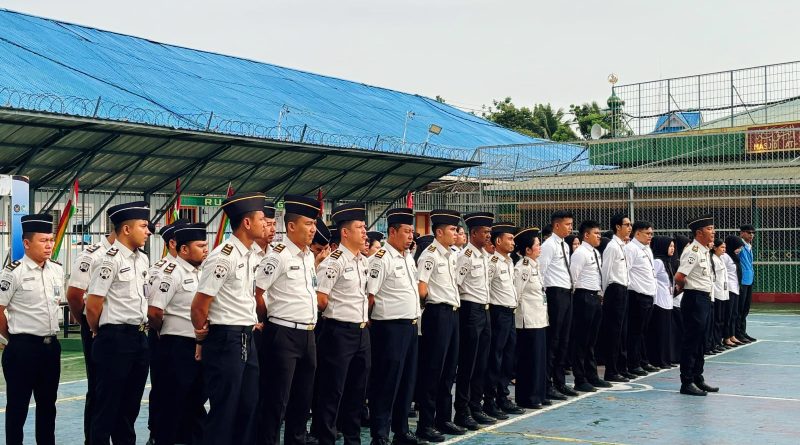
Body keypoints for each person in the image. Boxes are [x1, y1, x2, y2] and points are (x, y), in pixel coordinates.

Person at [191, 192, 266, 445]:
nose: (265, 223)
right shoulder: (224, 256)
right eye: (261, 219)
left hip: (246, 336)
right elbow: (200, 305)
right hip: (225, 339)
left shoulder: (250, 254)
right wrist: (201, 338)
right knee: (225, 410)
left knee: (248, 406)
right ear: (246, 223)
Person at [255, 194, 321, 445]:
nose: (313, 229)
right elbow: (257, 293)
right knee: (276, 400)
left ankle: (296, 440)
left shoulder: (307, 257)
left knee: (302, 399)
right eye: (308, 224)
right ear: (291, 226)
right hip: (283, 333)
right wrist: (268, 318)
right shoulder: (278, 256)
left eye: (314, 224)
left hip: (308, 333)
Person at [85, 201, 152, 445]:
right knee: (106, 408)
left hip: (139, 338)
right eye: (143, 226)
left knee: (129, 409)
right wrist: (100, 331)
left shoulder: (142, 260)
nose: (148, 231)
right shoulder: (108, 260)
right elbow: (92, 305)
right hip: (114, 339)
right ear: (126, 229)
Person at [0, 214, 63, 445]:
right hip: (22, 349)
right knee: (18, 407)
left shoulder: (56, 270)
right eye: (43, 241)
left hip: (50, 348)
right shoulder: (13, 273)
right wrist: (15, 338)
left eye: (51, 240)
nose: (49, 245)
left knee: (48, 407)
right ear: (27, 243)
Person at [313, 203, 371, 445]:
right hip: (338, 331)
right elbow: (320, 298)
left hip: (361, 331)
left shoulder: (363, 262)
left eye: (365, 227)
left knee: (357, 391)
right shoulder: (333, 262)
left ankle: (353, 439)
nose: (365, 232)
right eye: (360, 227)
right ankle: (325, 438)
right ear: (345, 232)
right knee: (332, 390)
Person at [149, 223, 209, 445]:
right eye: (200, 245)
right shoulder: (170, 273)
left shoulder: (202, 272)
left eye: (206, 244)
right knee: (172, 402)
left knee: (195, 401)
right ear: (184, 250)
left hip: (199, 344)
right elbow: (155, 311)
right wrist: (164, 332)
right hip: (177, 345)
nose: (206, 249)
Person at [366, 208, 422, 445]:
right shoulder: (380, 259)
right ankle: (380, 434)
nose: (411, 236)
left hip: (409, 327)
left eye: (412, 232)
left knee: (406, 382)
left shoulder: (407, 257)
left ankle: (401, 431)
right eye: (407, 231)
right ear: (392, 231)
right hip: (389, 329)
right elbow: (370, 296)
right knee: (386, 383)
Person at [415, 209, 464, 443]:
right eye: (452, 230)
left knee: (449, 370)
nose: (455, 233)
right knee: (433, 370)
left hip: (453, 313)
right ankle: (426, 424)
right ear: (439, 231)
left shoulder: (452, 255)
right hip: (438, 313)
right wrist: (431, 307)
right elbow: (421, 288)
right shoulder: (430, 255)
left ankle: (444, 418)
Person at [65, 225, 115, 445]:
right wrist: (87, 324)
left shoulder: (137, 258)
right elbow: (75, 296)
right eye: (142, 226)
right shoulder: (92, 256)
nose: (147, 233)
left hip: (123, 332)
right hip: (96, 329)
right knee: (97, 388)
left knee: (121, 389)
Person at [146, 218, 189, 444]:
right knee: (163, 387)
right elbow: (154, 310)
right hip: (163, 335)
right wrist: (164, 330)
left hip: (188, 338)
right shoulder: (160, 270)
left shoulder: (194, 268)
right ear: (174, 243)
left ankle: (181, 430)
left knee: (185, 388)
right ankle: (158, 432)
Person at [453, 212, 497, 430]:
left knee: (481, 362)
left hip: (485, 310)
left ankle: (475, 406)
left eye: (490, 231)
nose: (489, 235)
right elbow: (457, 285)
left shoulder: (484, 256)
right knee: (468, 363)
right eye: (485, 232)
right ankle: (462, 411)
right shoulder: (466, 256)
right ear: (473, 233)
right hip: (470, 310)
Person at [674, 215, 719, 396]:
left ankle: (698, 378)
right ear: (699, 233)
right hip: (694, 299)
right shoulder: (692, 251)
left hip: (705, 299)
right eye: (709, 229)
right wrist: (691, 291)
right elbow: (679, 277)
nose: (713, 232)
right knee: (691, 342)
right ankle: (686, 381)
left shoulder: (704, 251)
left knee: (701, 342)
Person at [484, 222, 525, 416]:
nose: (513, 242)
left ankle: (503, 395)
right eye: (509, 239)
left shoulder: (509, 262)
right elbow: (486, 288)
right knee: (496, 357)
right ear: (498, 241)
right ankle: (490, 400)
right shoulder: (492, 263)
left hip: (510, 313)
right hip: (497, 312)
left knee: (509, 357)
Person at [567, 220, 610, 393]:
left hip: (594, 297)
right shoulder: (580, 253)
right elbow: (573, 278)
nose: (599, 236)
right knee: (581, 340)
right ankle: (580, 378)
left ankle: (592, 375)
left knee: (591, 340)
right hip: (583, 296)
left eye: (600, 234)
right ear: (586, 235)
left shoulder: (595, 253)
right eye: (596, 233)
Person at [538, 210, 575, 399]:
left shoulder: (565, 245)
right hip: (555, 294)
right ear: (557, 225)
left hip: (566, 293)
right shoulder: (549, 245)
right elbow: (541, 272)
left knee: (563, 340)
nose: (570, 228)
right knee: (552, 340)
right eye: (567, 224)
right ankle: (547, 383)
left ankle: (560, 381)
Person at [512, 228, 549, 409]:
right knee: (529, 361)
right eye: (537, 245)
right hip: (528, 321)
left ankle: (539, 393)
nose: (539, 247)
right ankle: (528, 397)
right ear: (527, 250)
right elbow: (516, 294)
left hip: (539, 319)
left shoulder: (535, 266)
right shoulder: (523, 268)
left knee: (539, 359)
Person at [600, 213, 632, 383]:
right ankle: (611, 370)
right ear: (618, 227)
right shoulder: (612, 246)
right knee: (614, 331)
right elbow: (606, 271)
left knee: (622, 331)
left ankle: (621, 367)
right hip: (614, 290)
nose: (629, 228)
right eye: (626, 224)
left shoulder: (622, 246)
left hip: (623, 289)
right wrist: (604, 293)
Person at [623, 221, 658, 376]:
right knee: (635, 331)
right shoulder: (631, 249)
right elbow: (626, 271)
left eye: (651, 233)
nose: (650, 236)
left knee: (643, 331)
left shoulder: (646, 249)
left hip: (648, 295)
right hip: (637, 295)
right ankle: (633, 363)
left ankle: (643, 360)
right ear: (637, 233)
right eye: (647, 233)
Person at [647, 236, 675, 369]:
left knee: (666, 334)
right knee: (659, 333)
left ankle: (666, 359)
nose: (672, 249)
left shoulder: (667, 261)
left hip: (668, 301)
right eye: (670, 246)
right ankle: (658, 360)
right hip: (659, 301)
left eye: (673, 246)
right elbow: (651, 278)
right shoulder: (658, 261)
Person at [723, 236, 745, 347]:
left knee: (734, 314)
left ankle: (732, 335)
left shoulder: (734, 257)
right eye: (738, 247)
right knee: (728, 314)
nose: (739, 249)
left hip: (736, 288)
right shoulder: (726, 257)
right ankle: (726, 337)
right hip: (729, 289)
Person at [736, 224, 756, 343]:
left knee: (746, 309)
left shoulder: (749, 246)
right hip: (742, 280)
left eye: (753, 233)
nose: (751, 235)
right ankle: (737, 333)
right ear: (742, 233)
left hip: (749, 280)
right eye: (749, 233)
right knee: (740, 308)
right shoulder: (740, 245)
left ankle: (743, 331)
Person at [710, 240, 729, 354]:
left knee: (721, 319)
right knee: (716, 320)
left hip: (723, 293)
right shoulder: (713, 259)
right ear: (715, 248)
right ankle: (715, 342)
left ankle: (719, 341)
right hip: (717, 293)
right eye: (722, 247)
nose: (724, 249)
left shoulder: (721, 259)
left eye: (724, 247)